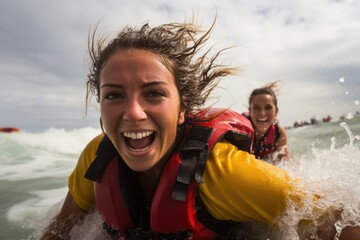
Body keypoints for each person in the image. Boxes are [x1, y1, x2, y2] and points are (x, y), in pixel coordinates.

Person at [40, 20, 360, 240]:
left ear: (182, 109)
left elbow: (340, 220)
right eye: (114, 95)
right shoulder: (96, 159)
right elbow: (58, 231)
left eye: (154, 93)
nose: (133, 112)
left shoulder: (224, 174)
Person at [245, 81, 290, 162]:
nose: (262, 113)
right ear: (249, 111)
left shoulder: (278, 133)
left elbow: (285, 163)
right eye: (256, 108)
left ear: (276, 112)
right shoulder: (241, 130)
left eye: (268, 108)